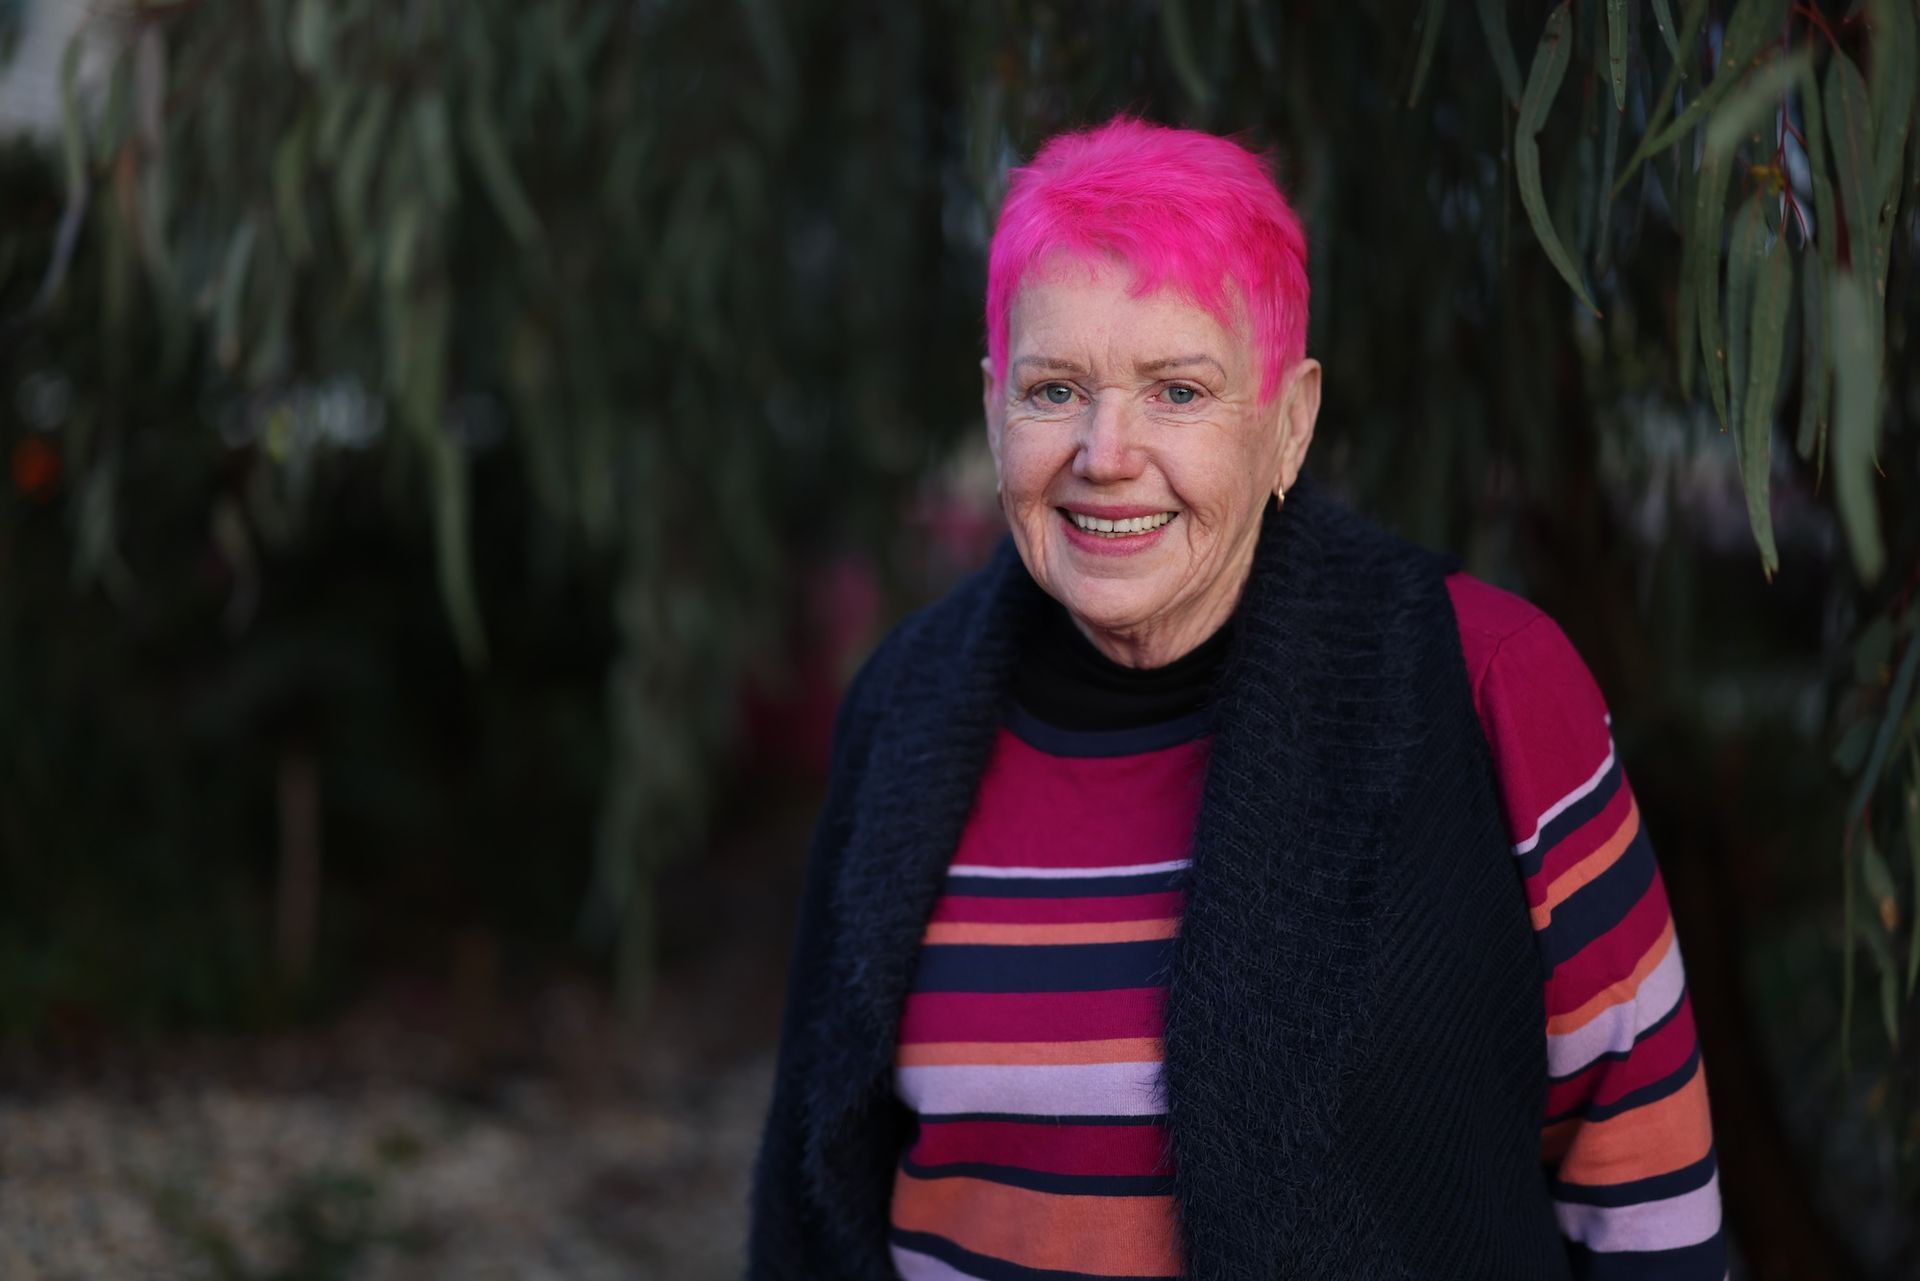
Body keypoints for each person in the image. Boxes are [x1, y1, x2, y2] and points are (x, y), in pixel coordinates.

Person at [748, 115, 1727, 1281]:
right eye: (1055, 388)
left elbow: (1645, 1173)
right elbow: (809, 1193)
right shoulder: (903, 710)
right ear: (993, 404)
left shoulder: (1487, 692)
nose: (1107, 453)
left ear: (1291, 421)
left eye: (1176, 391)